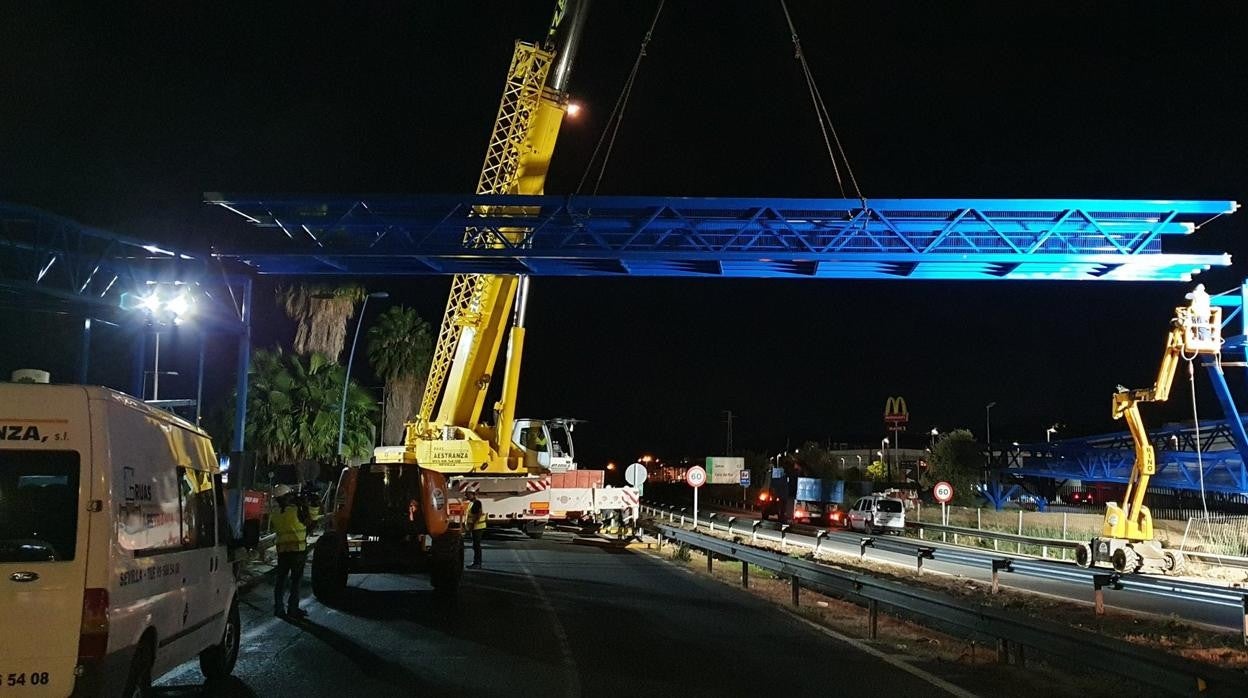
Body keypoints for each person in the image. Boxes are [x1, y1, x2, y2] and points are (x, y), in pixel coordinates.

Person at [271, 484, 311, 618]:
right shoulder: (296, 510)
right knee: (295, 581)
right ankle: (293, 609)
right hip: (297, 551)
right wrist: (304, 506)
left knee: (281, 581)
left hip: (282, 551)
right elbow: (310, 524)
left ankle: (279, 609)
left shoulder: (276, 513)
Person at [465, 490, 486, 569]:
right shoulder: (472, 503)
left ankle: (477, 563)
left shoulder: (477, 503)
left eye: (467, 494)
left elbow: (478, 515)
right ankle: (476, 562)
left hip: (477, 527)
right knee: (475, 545)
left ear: (472, 494)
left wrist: (472, 525)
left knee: (476, 545)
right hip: (475, 527)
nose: (466, 496)